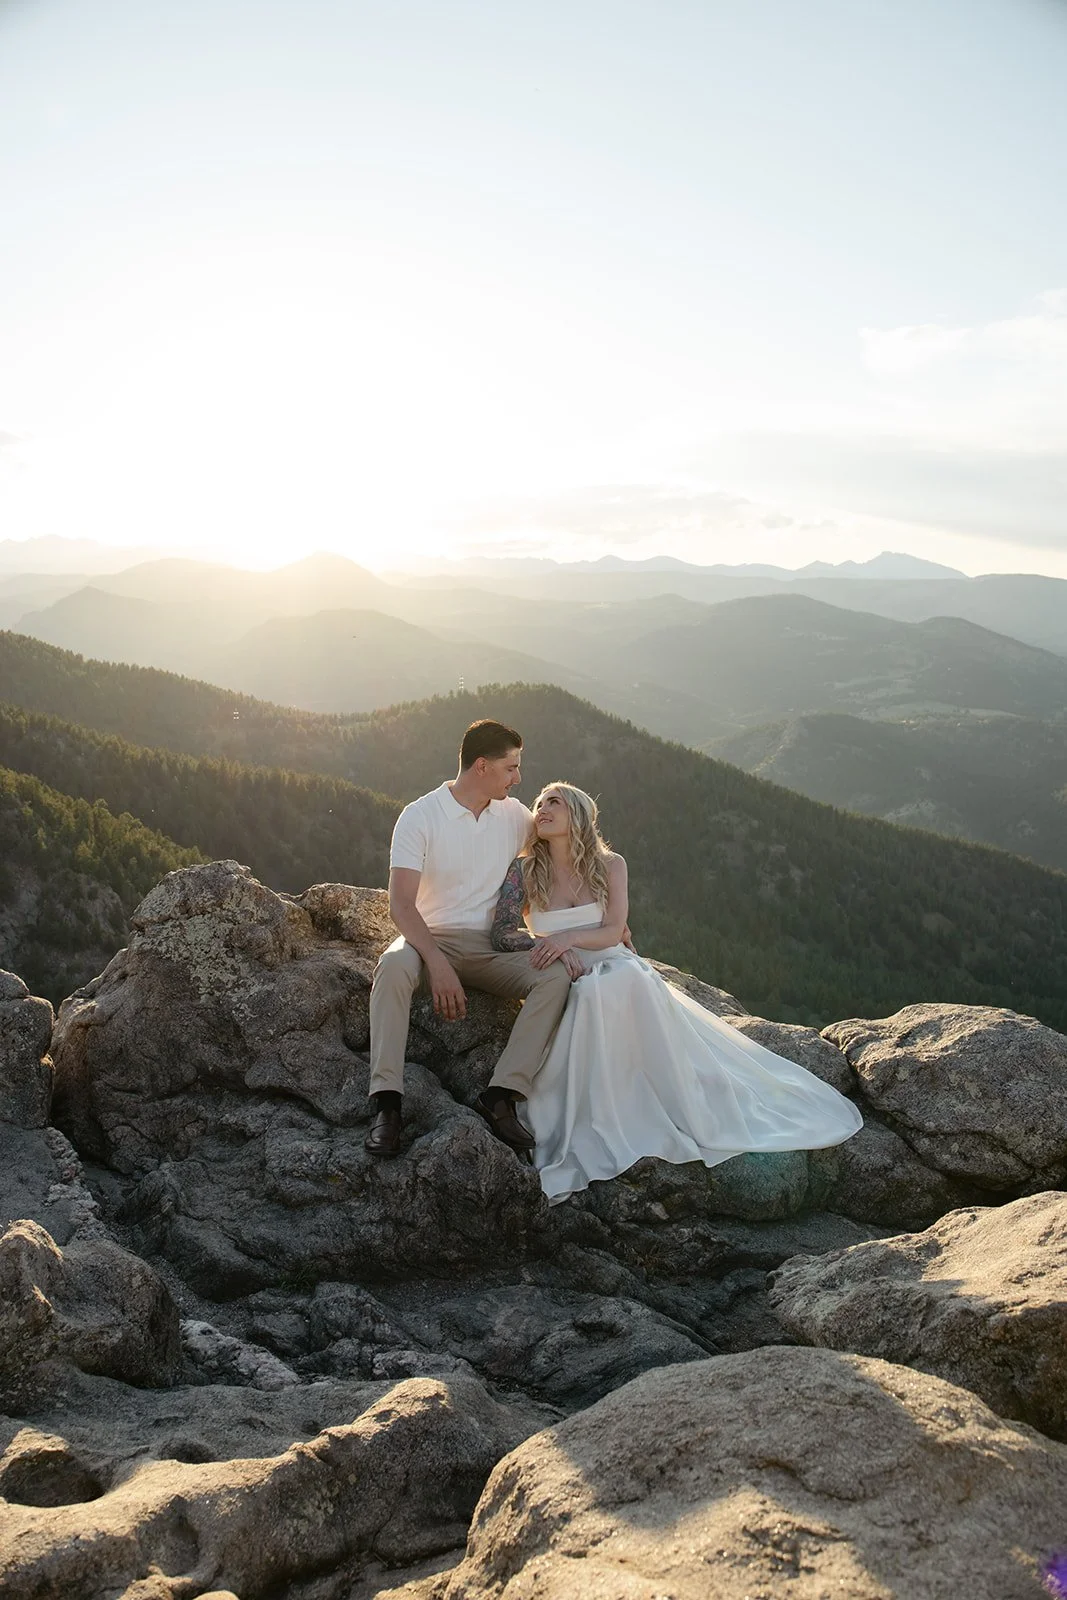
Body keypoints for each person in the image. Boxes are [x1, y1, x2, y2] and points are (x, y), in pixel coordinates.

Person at [490, 781, 864, 1202]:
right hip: (561, 970)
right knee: (590, 993)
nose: (541, 808)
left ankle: (645, 1108)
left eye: (553, 802)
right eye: (539, 803)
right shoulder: (523, 871)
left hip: (610, 962)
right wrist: (547, 947)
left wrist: (567, 940)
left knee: (617, 984)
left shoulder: (609, 864)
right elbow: (503, 931)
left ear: (577, 813)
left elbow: (613, 930)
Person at [365, 719, 580, 1158]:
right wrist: (439, 965)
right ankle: (386, 1105)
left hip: (490, 947)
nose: (518, 779)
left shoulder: (515, 817)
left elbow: (570, 850)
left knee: (555, 975)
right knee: (390, 967)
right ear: (481, 766)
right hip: (428, 941)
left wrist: (609, 906)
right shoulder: (420, 816)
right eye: (510, 768)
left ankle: (501, 1094)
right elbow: (401, 906)